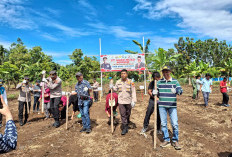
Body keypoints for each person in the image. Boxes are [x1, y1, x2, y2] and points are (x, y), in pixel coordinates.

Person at [154, 66, 183, 150]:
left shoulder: (175, 81)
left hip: (172, 106)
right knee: (163, 124)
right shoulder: (159, 82)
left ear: (170, 72)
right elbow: (155, 92)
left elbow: (181, 91)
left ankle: (175, 140)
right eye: (164, 72)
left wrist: (177, 91)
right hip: (162, 106)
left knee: (175, 124)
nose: (165, 73)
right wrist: (154, 93)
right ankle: (166, 139)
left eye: (167, 71)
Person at [112, 69, 137, 135]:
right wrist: (112, 87)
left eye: (124, 73)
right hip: (121, 101)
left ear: (127, 74)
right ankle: (125, 127)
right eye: (122, 73)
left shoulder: (130, 82)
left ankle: (127, 121)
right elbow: (115, 89)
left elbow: (133, 91)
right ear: (120, 75)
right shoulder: (118, 82)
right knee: (123, 114)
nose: (123, 75)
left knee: (128, 113)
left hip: (128, 101)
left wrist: (134, 101)